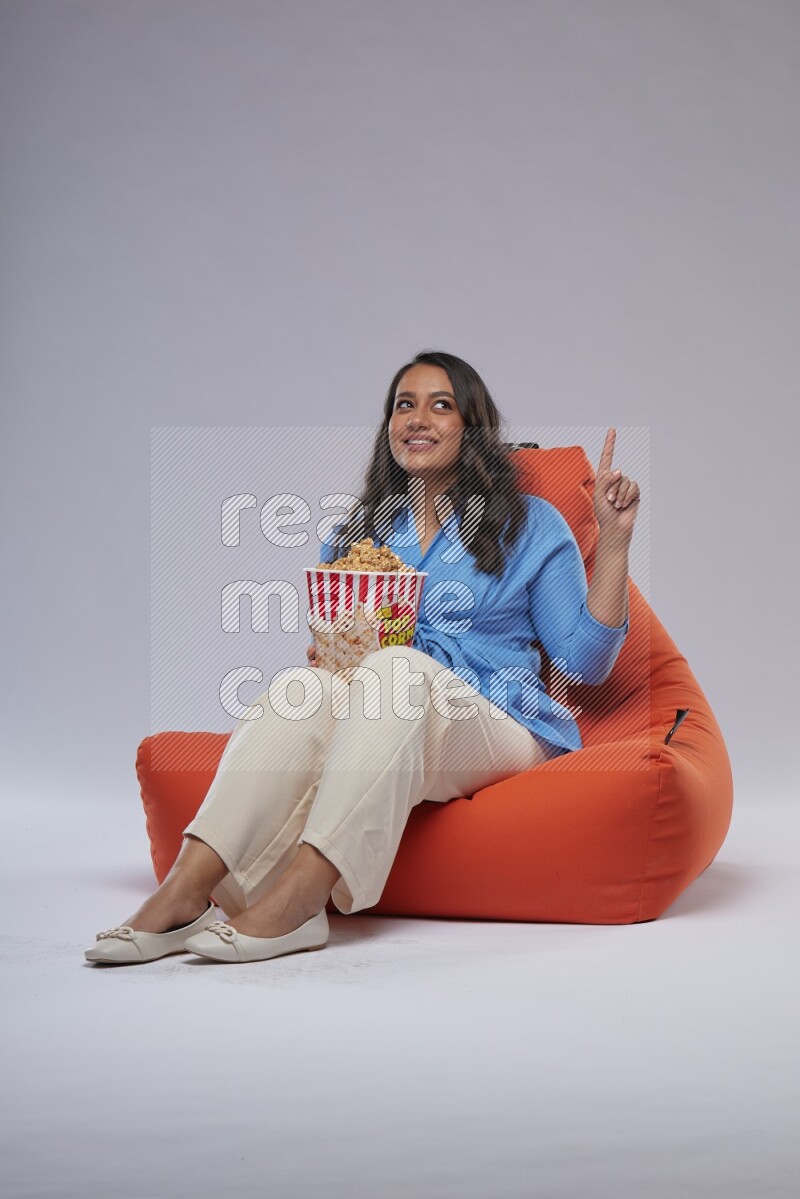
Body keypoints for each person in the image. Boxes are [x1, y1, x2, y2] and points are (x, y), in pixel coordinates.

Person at [85, 350, 640, 965]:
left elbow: (586, 662)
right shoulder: (358, 534)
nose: (418, 418)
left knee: (395, 669)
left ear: (473, 426)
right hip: (388, 720)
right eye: (405, 405)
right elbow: (338, 660)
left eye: (441, 404)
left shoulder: (532, 524)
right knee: (308, 687)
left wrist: (612, 544)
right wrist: (332, 656)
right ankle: (186, 890)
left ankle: (300, 901)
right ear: (388, 427)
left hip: (499, 723)